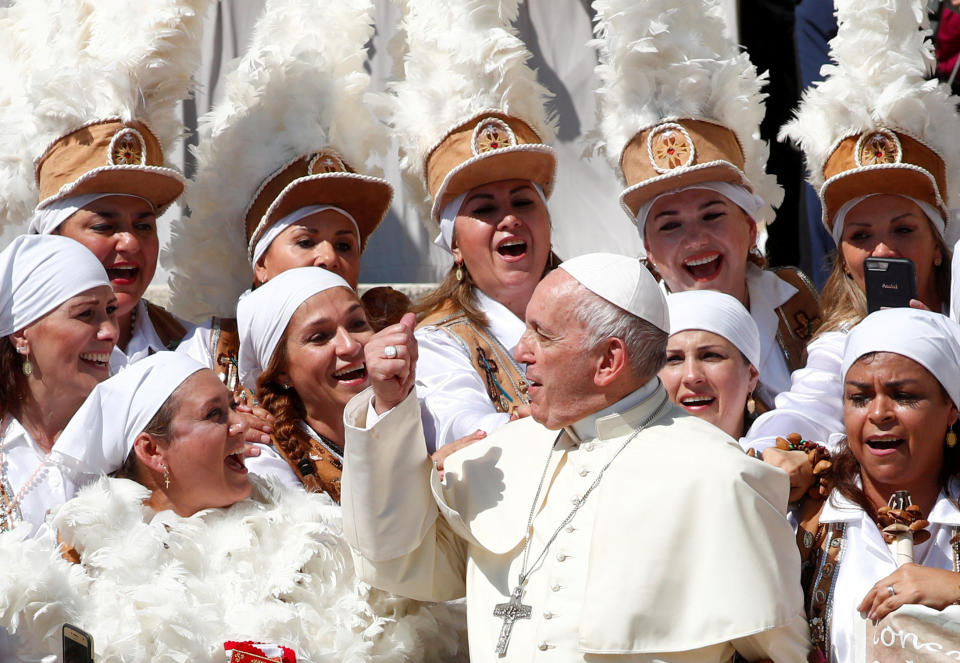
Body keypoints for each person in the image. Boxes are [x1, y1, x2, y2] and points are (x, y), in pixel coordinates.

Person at [341, 252, 809, 661]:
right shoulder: (500, 455)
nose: (521, 351)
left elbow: (779, 654)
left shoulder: (722, 479)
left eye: (542, 335)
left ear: (608, 361)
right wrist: (391, 406)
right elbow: (399, 564)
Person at [0, 351, 467, 662]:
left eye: (233, 407)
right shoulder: (87, 568)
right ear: (152, 450)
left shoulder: (310, 532)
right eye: (214, 415)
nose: (240, 426)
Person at [745, 0, 960, 455]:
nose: (882, 250)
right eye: (860, 236)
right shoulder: (840, 342)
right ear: (841, 255)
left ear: (938, 246)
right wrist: (770, 454)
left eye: (903, 229)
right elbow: (801, 413)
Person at [591, 0, 821, 409]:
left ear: (751, 227)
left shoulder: (799, 304)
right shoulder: (626, 333)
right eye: (669, 225)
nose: (695, 237)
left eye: (713, 214)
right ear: (648, 249)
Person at [170, 0, 394, 390]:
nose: (329, 258)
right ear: (261, 266)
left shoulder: (388, 335)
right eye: (306, 241)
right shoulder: (204, 354)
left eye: (345, 245)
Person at [390, 0, 559, 452]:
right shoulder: (438, 342)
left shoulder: (596, 308)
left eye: (524, 201)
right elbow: (465, 430)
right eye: (484, 209)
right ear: (455, 245)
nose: (509, 218)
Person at [0, 0, 206, 366]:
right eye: (104, 225)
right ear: (49, 241)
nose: (129, 241)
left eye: (144, 224)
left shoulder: (204, 355)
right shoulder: (9, 369)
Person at [796, 308, 960, 663]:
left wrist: (954, 588)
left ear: (951, 408)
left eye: (903, 396)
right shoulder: (808, 513)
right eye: (860, 398)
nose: (878, 413)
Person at [237, 267, 407, 500]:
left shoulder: (423, 408)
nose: (350, 346)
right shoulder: (264, 460)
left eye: (357, 324)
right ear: (281, 372)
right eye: (319, 337)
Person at [0, 234, 117, 535]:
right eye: (85, 314)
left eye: (110, 311)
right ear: (22, 334)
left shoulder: (128, 433)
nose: (109, 332)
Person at [660, 290, 761, 439]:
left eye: (711, 356)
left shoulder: (790, 459)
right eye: (674, 359)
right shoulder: (625, 459)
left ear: (751, 375)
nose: (691, 375)